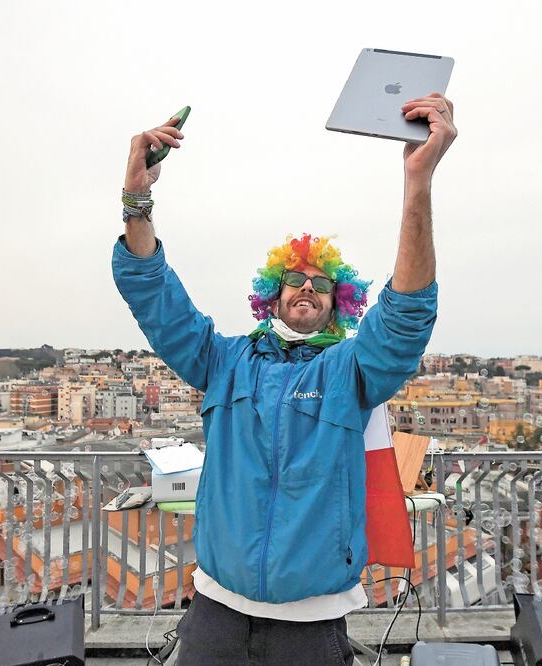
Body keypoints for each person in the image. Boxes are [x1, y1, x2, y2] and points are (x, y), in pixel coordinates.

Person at [113, 92, 456, 665]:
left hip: (312, 623)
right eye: (293, 279)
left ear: (339, 302)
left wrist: (417, 183)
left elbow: (406, 315)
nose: (306, 288)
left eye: (322, 285)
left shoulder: (349, 370)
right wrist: (136, 199)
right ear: (272, 294)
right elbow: (155, 297)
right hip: (214, 611)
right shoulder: (224, 360)